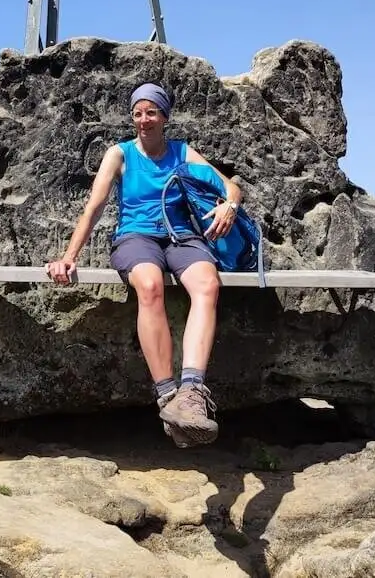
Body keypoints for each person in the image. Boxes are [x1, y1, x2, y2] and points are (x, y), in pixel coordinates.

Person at [45, 82, 242, 447]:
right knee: (149, 285)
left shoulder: (182, 152)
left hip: (181, 236)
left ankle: (193, 394)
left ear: (164, 116)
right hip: (135, 238)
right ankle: (168, 397)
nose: (143, 120)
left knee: (208, 285)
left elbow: (230, 186)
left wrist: (229, 205)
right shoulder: (119, 154)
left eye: (151, 112)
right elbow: (95, 206)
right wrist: (68, 257)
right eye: (138, 113)